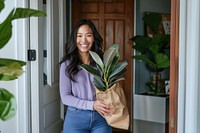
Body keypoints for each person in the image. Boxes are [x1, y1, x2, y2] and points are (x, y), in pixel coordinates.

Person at [59, 19, 112, 133]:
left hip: (101, 118)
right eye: (79, 36)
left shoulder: (102, 62)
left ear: (94, 38)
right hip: (75, 119)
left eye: (88, 35)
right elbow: (65, 97)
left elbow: (109, 88)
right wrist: (92, 105)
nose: (84, 40)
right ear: (74, 38)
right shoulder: (67, 64)